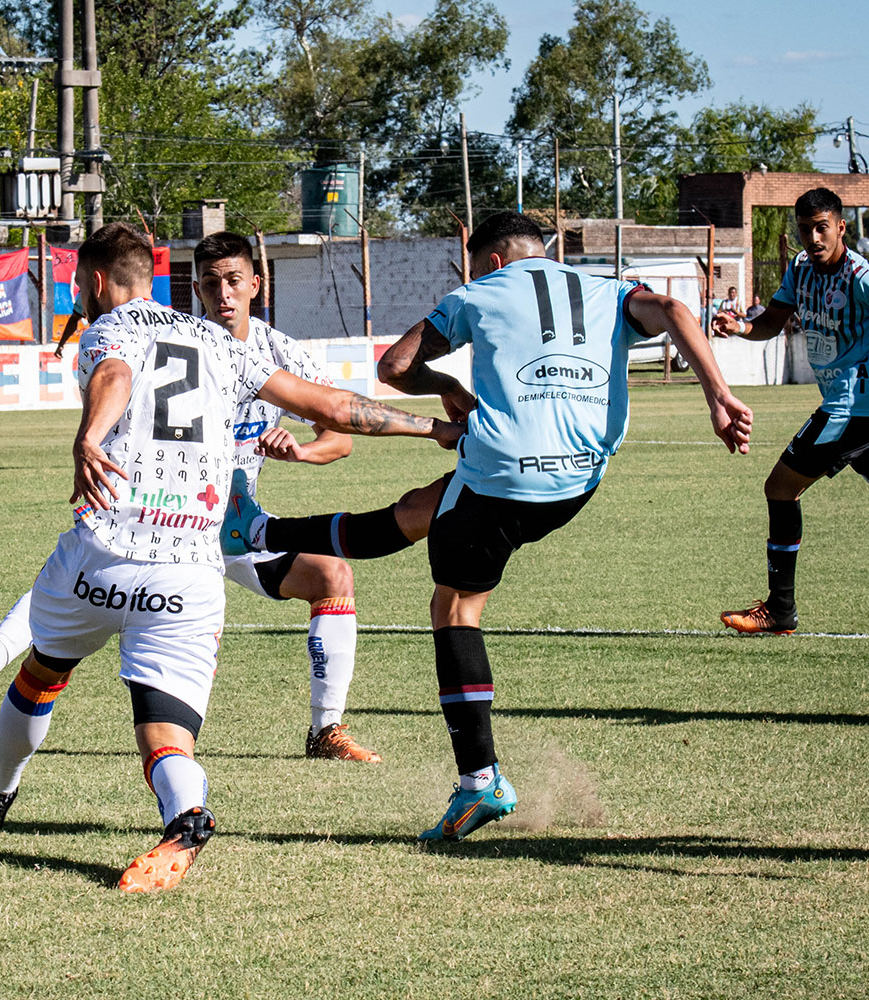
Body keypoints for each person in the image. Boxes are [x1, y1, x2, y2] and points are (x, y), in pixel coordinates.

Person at [0, 222, 460, 892]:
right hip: (192, 569)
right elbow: (334, 407)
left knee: (42, 674)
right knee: (166, 734)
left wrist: (90, 435)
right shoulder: (222, 345)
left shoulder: (110, 328)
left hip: (108, 548)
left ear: (99, 282)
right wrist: (435, 427)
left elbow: (112, 372)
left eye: (81, 284)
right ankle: (186, 814)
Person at [222, 211, 752, 840]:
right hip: (578, 480)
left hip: (504, 471)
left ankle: (479, 784)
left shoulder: (479, 292)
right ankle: (263, 534)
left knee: (454, 607)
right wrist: (717, 394)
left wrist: (443, 382)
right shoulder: (608, 288)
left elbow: (394, 367)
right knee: (426, 508)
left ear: (495, 262)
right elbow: (674, 311)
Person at [717, 187, 869, 634]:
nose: (814, 238)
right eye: (805, 229)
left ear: (842, 227)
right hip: (844, 405)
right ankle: (780, 610)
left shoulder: (860, 276)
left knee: (781, 488)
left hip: (850, 407)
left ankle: (781, 610)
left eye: (822, 227)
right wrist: (740, 326)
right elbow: (769, 323)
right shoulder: (800, 270)